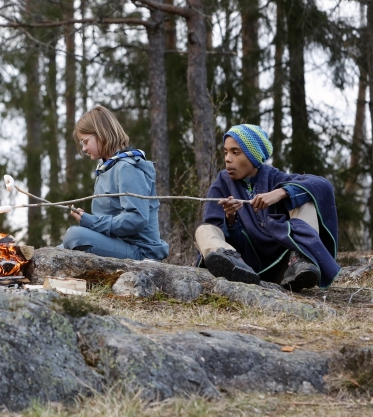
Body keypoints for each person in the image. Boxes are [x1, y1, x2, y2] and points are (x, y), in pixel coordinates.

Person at [196, 124, 340, 291]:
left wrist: (282, 192)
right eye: (226, 152)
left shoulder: (275, 177)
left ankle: (301, 259)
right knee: (204, 230)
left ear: (253, 156)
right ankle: (230, 263)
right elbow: (221, 228)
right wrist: (230, 220)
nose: (228, 159)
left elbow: (323, 186)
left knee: (306, 198)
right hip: (244, 264)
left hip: (284, 265)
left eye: (236, 152)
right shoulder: (222, 185)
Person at [61, 105, 169, 261]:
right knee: (57, 248)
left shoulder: (127, 168)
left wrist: (92, 222)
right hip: (119, 243)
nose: (84, 148)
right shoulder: (106, 169)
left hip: (141, 250)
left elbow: (136, 219)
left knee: (74, 235)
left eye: (85, 141)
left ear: (101, 134)